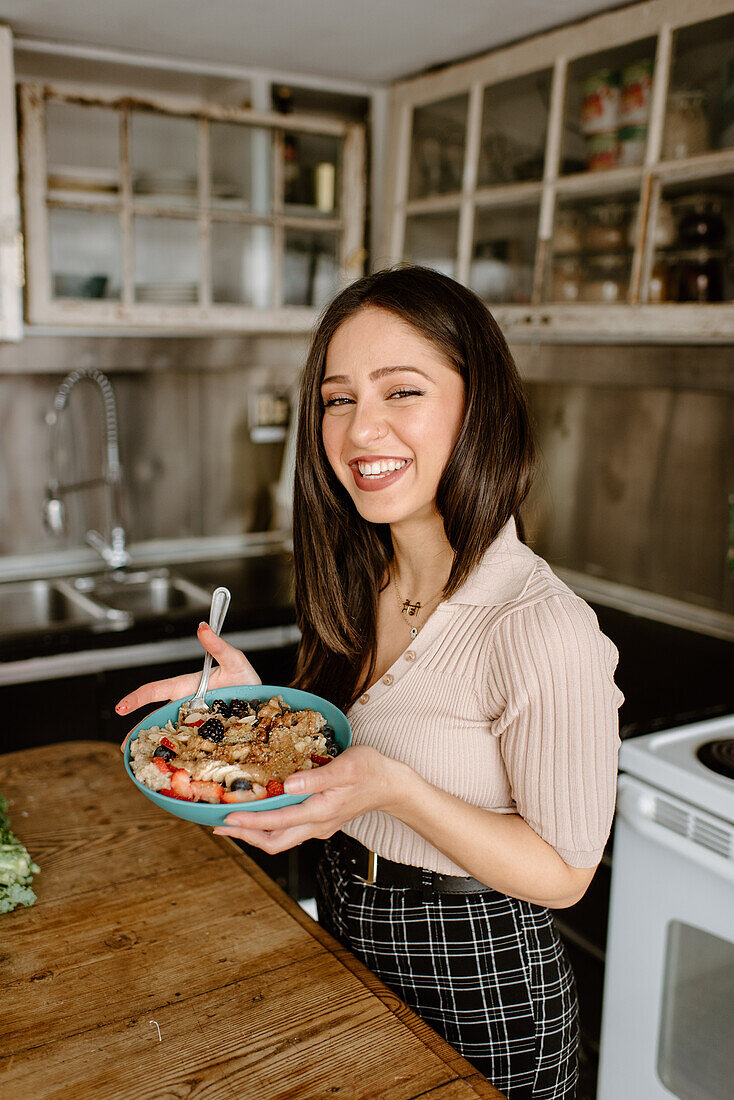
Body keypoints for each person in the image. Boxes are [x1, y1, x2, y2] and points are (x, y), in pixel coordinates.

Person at [117, 265, 623, 1099]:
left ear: (478, 407)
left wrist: (400, 790)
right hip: (352, 925)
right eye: (339, 398)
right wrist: (255, 710)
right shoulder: (370, 579)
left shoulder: (540, 624)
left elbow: (567, 871)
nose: (361, 430)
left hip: (481, 976)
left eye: (403, 392)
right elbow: (354, 754)